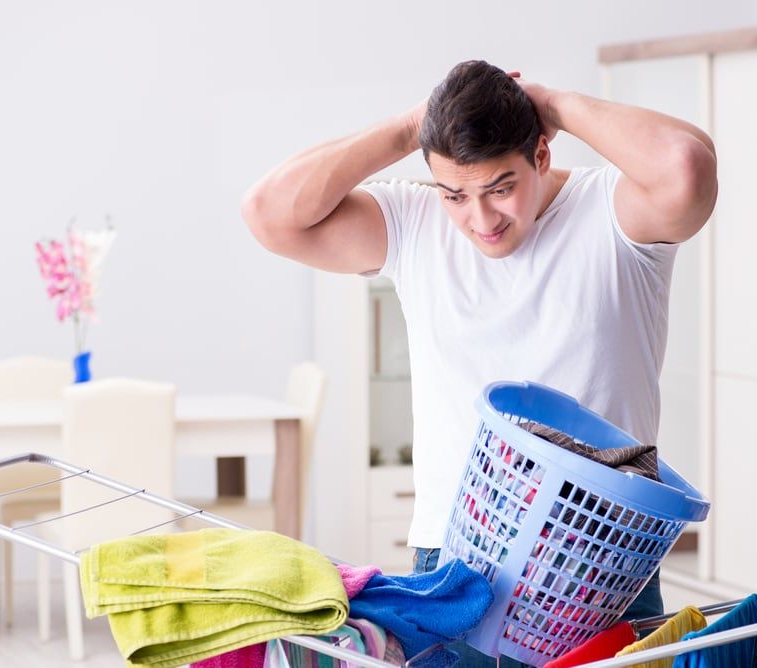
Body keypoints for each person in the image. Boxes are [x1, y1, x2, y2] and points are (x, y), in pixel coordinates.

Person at [242, 60, 717, 666]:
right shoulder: (414, 224)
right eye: (456, 195)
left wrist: (554, 103)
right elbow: (268, 213)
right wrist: (411, 126)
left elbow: (688, 165)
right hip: (458, 563)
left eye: (501, 187)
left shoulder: (615, 214)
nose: (481, 219)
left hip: (604, 560)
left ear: (541, 155)